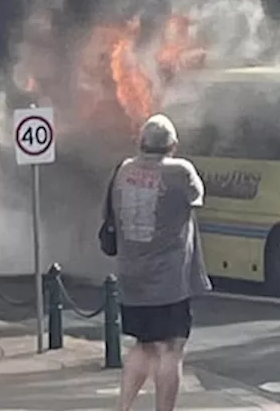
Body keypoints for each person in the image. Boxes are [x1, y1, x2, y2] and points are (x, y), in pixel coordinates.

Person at [113, 114, 211, 411]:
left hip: (131, 278)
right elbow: (198, 196)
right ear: (173, 146)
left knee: (143, 344)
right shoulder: (180, 171)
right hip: (168, 282)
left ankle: (122, 408)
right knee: (171, 347)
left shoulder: (122, 170)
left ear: (139, 143)